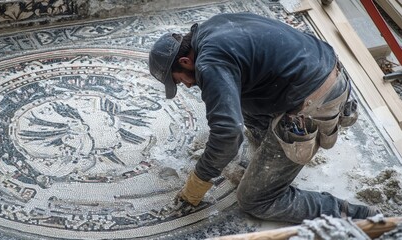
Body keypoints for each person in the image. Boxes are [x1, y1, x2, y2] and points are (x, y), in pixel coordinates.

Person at [148, 12, 380, 223]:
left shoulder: (209, 63)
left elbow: (228, 132)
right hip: (324, 68)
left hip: (315, 99)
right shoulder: (211, 29)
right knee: (234, 99)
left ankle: (357, 215)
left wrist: (200, 179)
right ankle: (272, 154)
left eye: (180, 80)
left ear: (185, 62)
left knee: (255, 200)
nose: (187, 85)